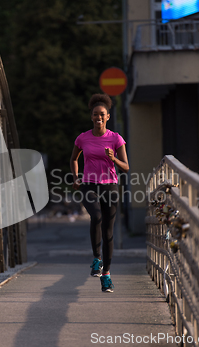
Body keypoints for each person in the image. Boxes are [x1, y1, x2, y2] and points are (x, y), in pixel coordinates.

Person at [70, 93, 129, 293]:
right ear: (92, 116)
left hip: (110, 186)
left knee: (108, 232)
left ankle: (106, 276)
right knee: (95, 216)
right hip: (89, 184)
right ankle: (96, 259)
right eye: (95, 114)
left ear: (108, 117)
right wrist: (76, 177)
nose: (99, 117)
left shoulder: (115, 138)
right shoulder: (82, 138)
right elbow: (74, 159)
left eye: (102, 114)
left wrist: (113, 159)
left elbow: (126, 167)